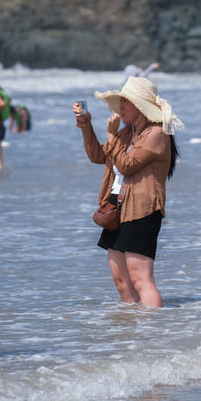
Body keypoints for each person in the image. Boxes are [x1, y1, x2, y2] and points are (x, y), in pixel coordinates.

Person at [74, 76, 184, 307]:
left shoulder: (157, 134)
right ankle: (132, 337)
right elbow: (97, 156)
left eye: (126, 101)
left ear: (142, 106)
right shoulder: (127, 133)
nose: (121, 106)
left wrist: (112, 135)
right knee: (122, 280)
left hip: (142, 209)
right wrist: (86, 124)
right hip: (115, 206)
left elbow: (126, 165)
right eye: (120, 101)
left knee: (141, 279)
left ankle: (155, 330)